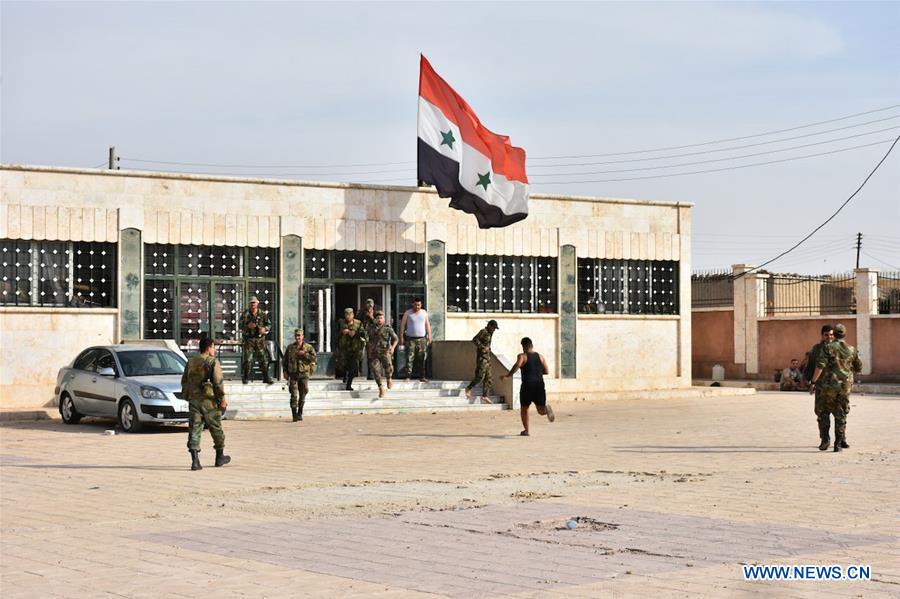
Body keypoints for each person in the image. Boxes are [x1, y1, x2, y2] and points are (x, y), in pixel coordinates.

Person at [809, 323, 862, 452]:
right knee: (841, 413)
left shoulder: (827, 348)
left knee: (823, 412)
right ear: (844, 334)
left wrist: (813, 382)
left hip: (827, 386)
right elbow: (858, 367)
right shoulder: (851, 349)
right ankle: (838, 443)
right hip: (844, 387)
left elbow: (820, 366)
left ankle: (825, 439)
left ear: (835, 334)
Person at [181, 337, 230, 470]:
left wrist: (188, 396)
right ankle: (219, 456)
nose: (214, 350)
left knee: (194, 429)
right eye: (213, 347)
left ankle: (195, 461)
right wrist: (222, 399)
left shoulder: (191, 362)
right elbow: (218, 383)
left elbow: (184, 381)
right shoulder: (213, 362)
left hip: (194, 401)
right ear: (208, 348)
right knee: (216, 428)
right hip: (209, 401)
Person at [502, 337, 555, 436]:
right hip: (539, 385)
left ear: (523, 346)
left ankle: (526, 431)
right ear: (532, 345)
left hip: (527, 385)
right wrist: (536, 371)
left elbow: (517, 366)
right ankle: (546, 410)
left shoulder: (522, 356)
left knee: (525, 408)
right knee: (540, 410)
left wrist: (508, 375)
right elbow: (546, 371)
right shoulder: (541, 357)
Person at [804, 325, 834, 450]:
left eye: (831, 334)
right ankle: (825, 438)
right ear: (822, 335)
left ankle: (841, 439)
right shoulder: (816, 349)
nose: (829, 337)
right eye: (826, 334)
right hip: (822, 386)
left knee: (839, 413)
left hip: (837, 386)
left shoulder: (839, 348)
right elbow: (811, 366)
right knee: (822, 412)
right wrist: (811, 382)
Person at [283, 328, 317, 422]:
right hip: (293, 374)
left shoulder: (308, 347)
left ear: (303, 336)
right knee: (293, 395)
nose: (298, 337)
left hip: (304, 374)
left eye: (299, 336)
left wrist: (305, 354)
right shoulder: (290, 348)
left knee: (303, 393)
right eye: (296, 336)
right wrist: (285, 371)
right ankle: (294, 415)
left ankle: (300, 412)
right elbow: (285, 360)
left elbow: (314, 359)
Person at [239, 296, 273, 385]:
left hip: (260, 340)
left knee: (263, 359)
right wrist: (247, 326)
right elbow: (239, 325)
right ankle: (245, 377)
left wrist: (264, 329)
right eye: (251, 303)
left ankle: (266, 377)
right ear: (249, 304)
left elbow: (269, 324)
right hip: (248, 340)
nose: (253, 304)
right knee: (247, 359)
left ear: (257, 304)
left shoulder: (262, 314)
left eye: (254, 303)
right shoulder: (245, 314)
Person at [366, 310, 399, 398]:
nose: (379, 320)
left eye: (381, 318)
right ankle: (380, 387)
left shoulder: (388, 328)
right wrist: (368, 349)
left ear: (384, 319)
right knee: (375, 370)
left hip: (385, 352)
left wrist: (393, 347)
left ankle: (389, 378)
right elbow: (367, 339)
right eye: (378, 318)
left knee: (389, 368)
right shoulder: (371, 328)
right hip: (374, 353)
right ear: (375, 319)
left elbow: (396, 339)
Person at [465, 319, 498, 404]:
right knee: (480, 377)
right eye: (493, 328)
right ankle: (468, 388)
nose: (494, 330)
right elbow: (475, 339)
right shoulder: (483, 331)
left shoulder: (490, 333)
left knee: (489, 378)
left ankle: (485, 396)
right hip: (482, 358)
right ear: (489, 326)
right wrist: (482, 347)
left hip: (487, 358)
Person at [399, 298, 432, 382]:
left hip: (422, 339)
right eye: (416, 305)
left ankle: (422, 376)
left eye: (419, 305)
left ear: (421, 305)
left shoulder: (424, 313)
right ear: (413, 304)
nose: (417, 307)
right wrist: (401, 337)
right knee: (409, 358)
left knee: (422, 359)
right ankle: (408, 376)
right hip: (410, 340)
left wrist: (430, 335)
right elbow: (402, 325)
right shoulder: (408, 313)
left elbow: (427, 325)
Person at [337, 307, 366, 391]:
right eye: (346, 314)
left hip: (354, 349)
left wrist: (354, 333)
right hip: (344, 348)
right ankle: (345, 376)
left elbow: (363, 334)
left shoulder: (358, 323)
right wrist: (342, 332)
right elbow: (336, 333)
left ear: (353, 315)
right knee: (343, 365)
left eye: (350, 314)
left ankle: (348, 385)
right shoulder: (341, 322)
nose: (348, 316)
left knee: (353, 368)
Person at [359, 298, 377, 380]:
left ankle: (370, 374)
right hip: (362, 336)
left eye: (371, 305)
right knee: (360, 355)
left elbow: (378, 323)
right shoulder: (361, 312)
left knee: (370, 356)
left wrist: (371, 317)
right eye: (368, 305)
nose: (369, 307)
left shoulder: (376, 313)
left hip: (371, 337)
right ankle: (359, 371)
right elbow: (358, 322)